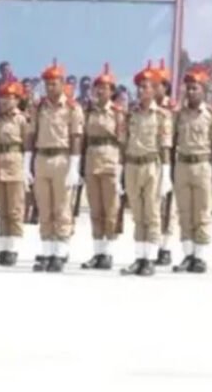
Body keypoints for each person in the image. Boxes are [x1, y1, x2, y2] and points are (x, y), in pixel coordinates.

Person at [27, 60, 84, 273]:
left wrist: (74, 166)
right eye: (47, 84)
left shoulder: (72, 107)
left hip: (62, 159)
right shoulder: (39, 107)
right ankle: (47, 252)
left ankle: (60, 253)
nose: (50, 87)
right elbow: (31, 134)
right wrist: (26, 163)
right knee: (44, 208)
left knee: (62, 208)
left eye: (54, 83)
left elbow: (76, 137)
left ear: (62, 83)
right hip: (42, 158)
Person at [171, 66, 212, 273]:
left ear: (204, 90)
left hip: (202, 165)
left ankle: (200, 256)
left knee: (202, 212)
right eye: (189, 88)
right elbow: (173, 141)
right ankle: (188, 254)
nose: (191, 92)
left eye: (195, 88)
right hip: (182, 165)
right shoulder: (179, 115)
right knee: (184, 212)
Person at [120, 64, 171, 277]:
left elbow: (165, 146)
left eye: (146, 87)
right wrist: (120, 170)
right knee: (137, 213)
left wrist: (166, 174)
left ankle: (150, 258)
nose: (141, 91)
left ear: (155, 89)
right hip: (132, 165)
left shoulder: (162, 116)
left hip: (151, 165)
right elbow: (123, 142)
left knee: (152, 212)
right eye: (139, 87)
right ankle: (139, 257)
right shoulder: (130, 114)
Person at [80, 64, 124, 270]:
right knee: (95, 209)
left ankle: (109, 252)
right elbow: (84, 140)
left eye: (105, 88)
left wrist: (121, 171)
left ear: (112, 91)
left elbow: (122, 142)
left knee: (110, 209)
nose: (100, 91)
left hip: (110, 161)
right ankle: (97, 251)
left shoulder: (117, 113)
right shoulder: (89, 111)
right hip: (92, 161)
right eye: (97, 87)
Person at [0, 80, 30, 267]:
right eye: (2, 97)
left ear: (17, 100)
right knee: (2, 210)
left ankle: (13, 250)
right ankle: (2, 249)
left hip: (15, 165)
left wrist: (27, 169)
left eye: (9, 97)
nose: (4, 101)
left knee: (15, 210)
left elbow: (27, 145)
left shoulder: (22, 119)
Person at [152, 58, 177, 266]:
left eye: (156, 85)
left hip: (170, 161)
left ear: (165, 87)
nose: (152, 89)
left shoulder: (174, 110)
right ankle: (152, 245)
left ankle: (165, 247)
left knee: (168, 207)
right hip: (151, 161)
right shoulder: (146, 108)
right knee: (152, 206)